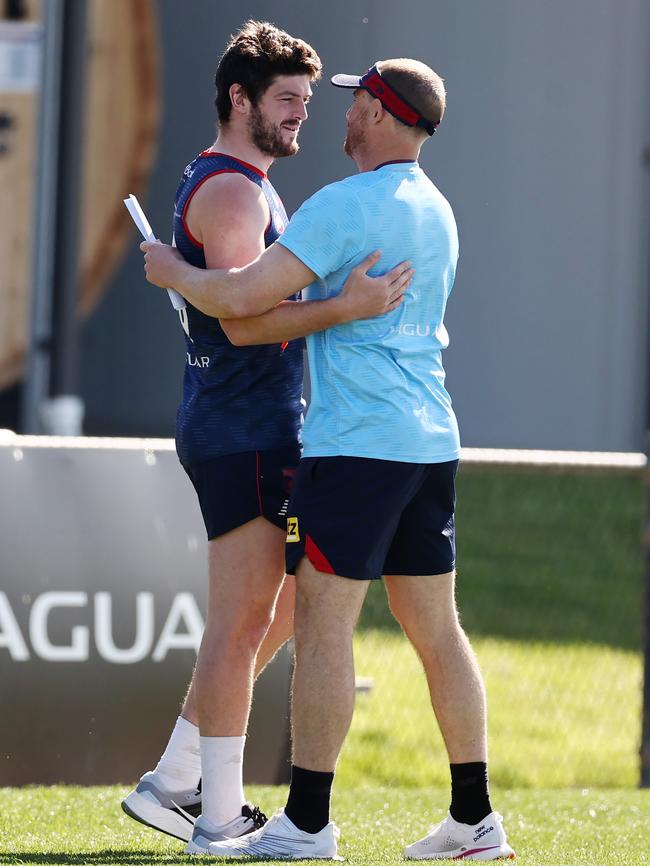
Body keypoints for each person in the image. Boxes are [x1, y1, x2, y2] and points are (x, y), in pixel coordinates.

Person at [140, 58, 515, 862]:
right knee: (437, 630)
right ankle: (474, 820)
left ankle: (306, 823)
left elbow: (242, 298)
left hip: (356, 446)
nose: (335, 117)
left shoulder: (344, 205)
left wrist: (173, 270)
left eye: (350, 103)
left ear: (378, 114)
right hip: (429, 442)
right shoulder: (436, 207)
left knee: (321, 625)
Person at [123, 23, 410, 857]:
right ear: (239, 99)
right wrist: (344, 308)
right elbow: (245, 323)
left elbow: (235, 302)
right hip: (241, 427)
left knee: (285, 604)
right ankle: (215, 815)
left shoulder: (240, 183)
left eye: (307, 103)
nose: (301, 117)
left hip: (248, 425)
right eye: (287, 100)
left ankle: (178, 776)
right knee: (244, 621)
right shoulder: (237, 193)